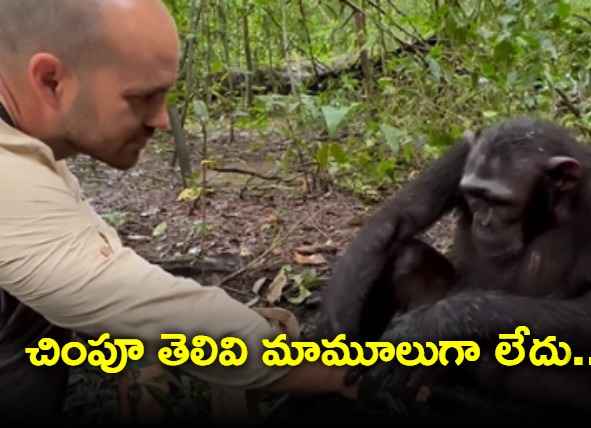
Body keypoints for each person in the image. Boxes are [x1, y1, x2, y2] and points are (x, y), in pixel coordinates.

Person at [0, 0, 359, 424]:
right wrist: (352, 372)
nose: (162, 119)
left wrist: (144, 346)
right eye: (142, 97)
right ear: (50, 80)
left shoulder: (26, 144)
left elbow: (100, 272)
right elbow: (186, 322)